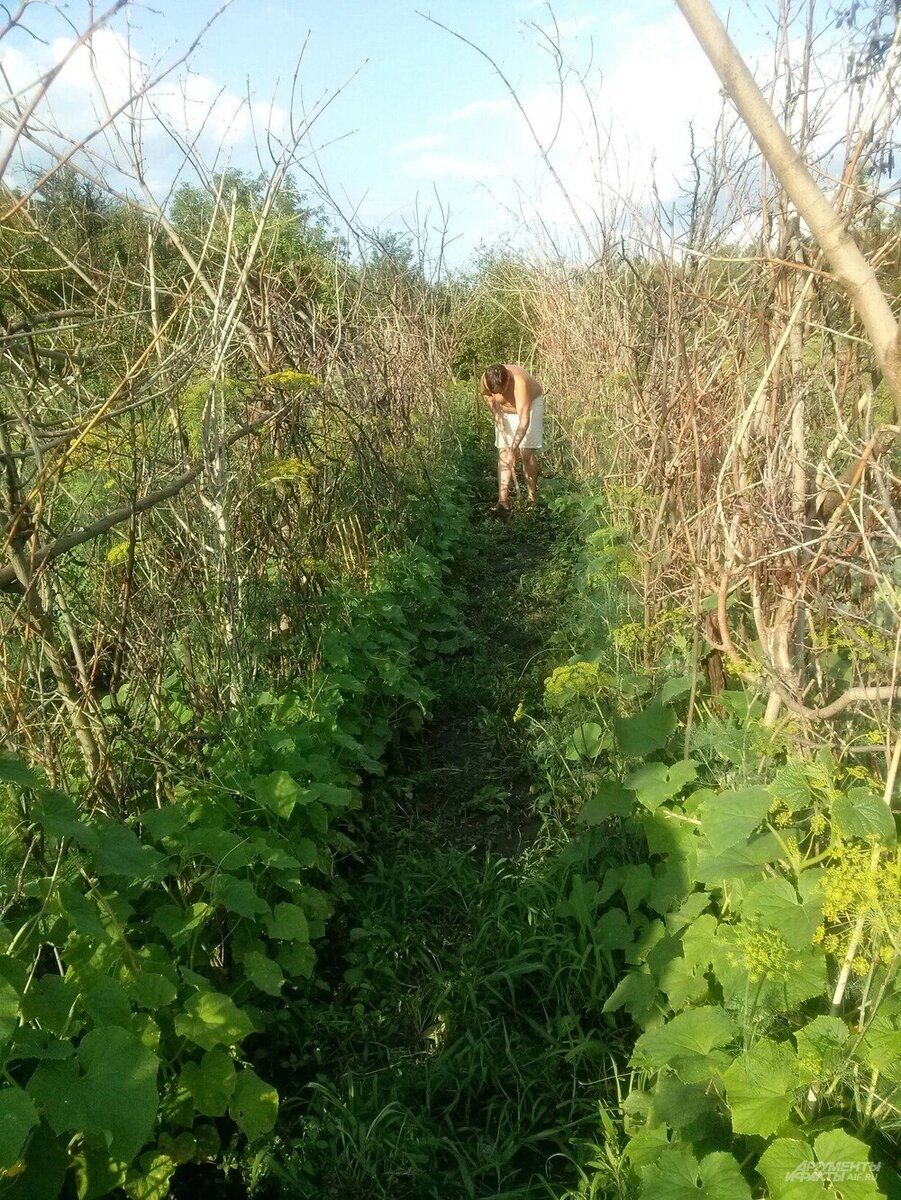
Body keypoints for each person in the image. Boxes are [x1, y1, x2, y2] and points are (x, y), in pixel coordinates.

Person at [480, 362, 545, 512]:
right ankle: (502, 501)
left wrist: (513, 448)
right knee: (503, 452)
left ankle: (532, 500)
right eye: (497, 393)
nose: (501, 395)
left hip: (530, 407)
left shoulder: (520, 382)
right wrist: (496, 414)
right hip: (505, 411)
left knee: (526, 452)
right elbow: (487, 396)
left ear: (508, 379)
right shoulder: (486, 379)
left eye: (503, 391)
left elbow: (524, 421)